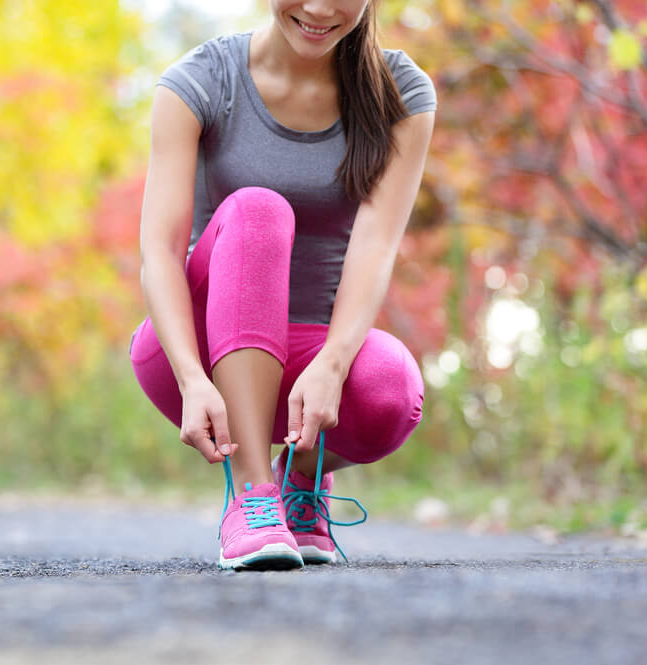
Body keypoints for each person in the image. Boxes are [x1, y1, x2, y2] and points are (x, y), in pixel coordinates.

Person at [128, 0, 436, 570]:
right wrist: (192, 377)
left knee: (393, 387)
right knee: (259, 210)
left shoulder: (401, 93)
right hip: (196, 356)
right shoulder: (200, 81)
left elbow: (374, 247)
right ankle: (251, 499)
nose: (318, 8)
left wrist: (335, 364)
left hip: (310, 367)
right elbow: (161, 253)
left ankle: (297, 482)